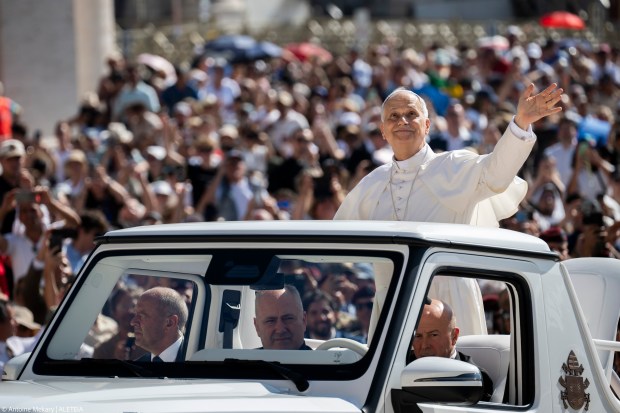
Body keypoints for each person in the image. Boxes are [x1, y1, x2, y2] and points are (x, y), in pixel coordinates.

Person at [334, 83, 564, 226]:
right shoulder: (372, 183)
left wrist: (521, 122)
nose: (402, 121)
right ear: (383, 131)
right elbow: (338, 244)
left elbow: (496, 175)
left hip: (451, 297)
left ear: (426, 126)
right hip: (391, 301)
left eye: (411, 114)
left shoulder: (454, 165)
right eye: (393, 116)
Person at [410, 299, 494, 402]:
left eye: (433, 335)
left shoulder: (474, 379)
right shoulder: (397, 365)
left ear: (454, 336)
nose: (424, 346)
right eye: (418, 336)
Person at [130, 286, 188, 362]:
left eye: (142, 315)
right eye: (135, 315)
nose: (133, 322)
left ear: (170, 323)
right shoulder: (137, 367)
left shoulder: (199, 360)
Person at [253, 285, 312, 350]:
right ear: (257, 327)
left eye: (288, 318)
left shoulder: (321, 360)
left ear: (304, 320)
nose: (280, 330)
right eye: (270, 321)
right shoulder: (244, 358)